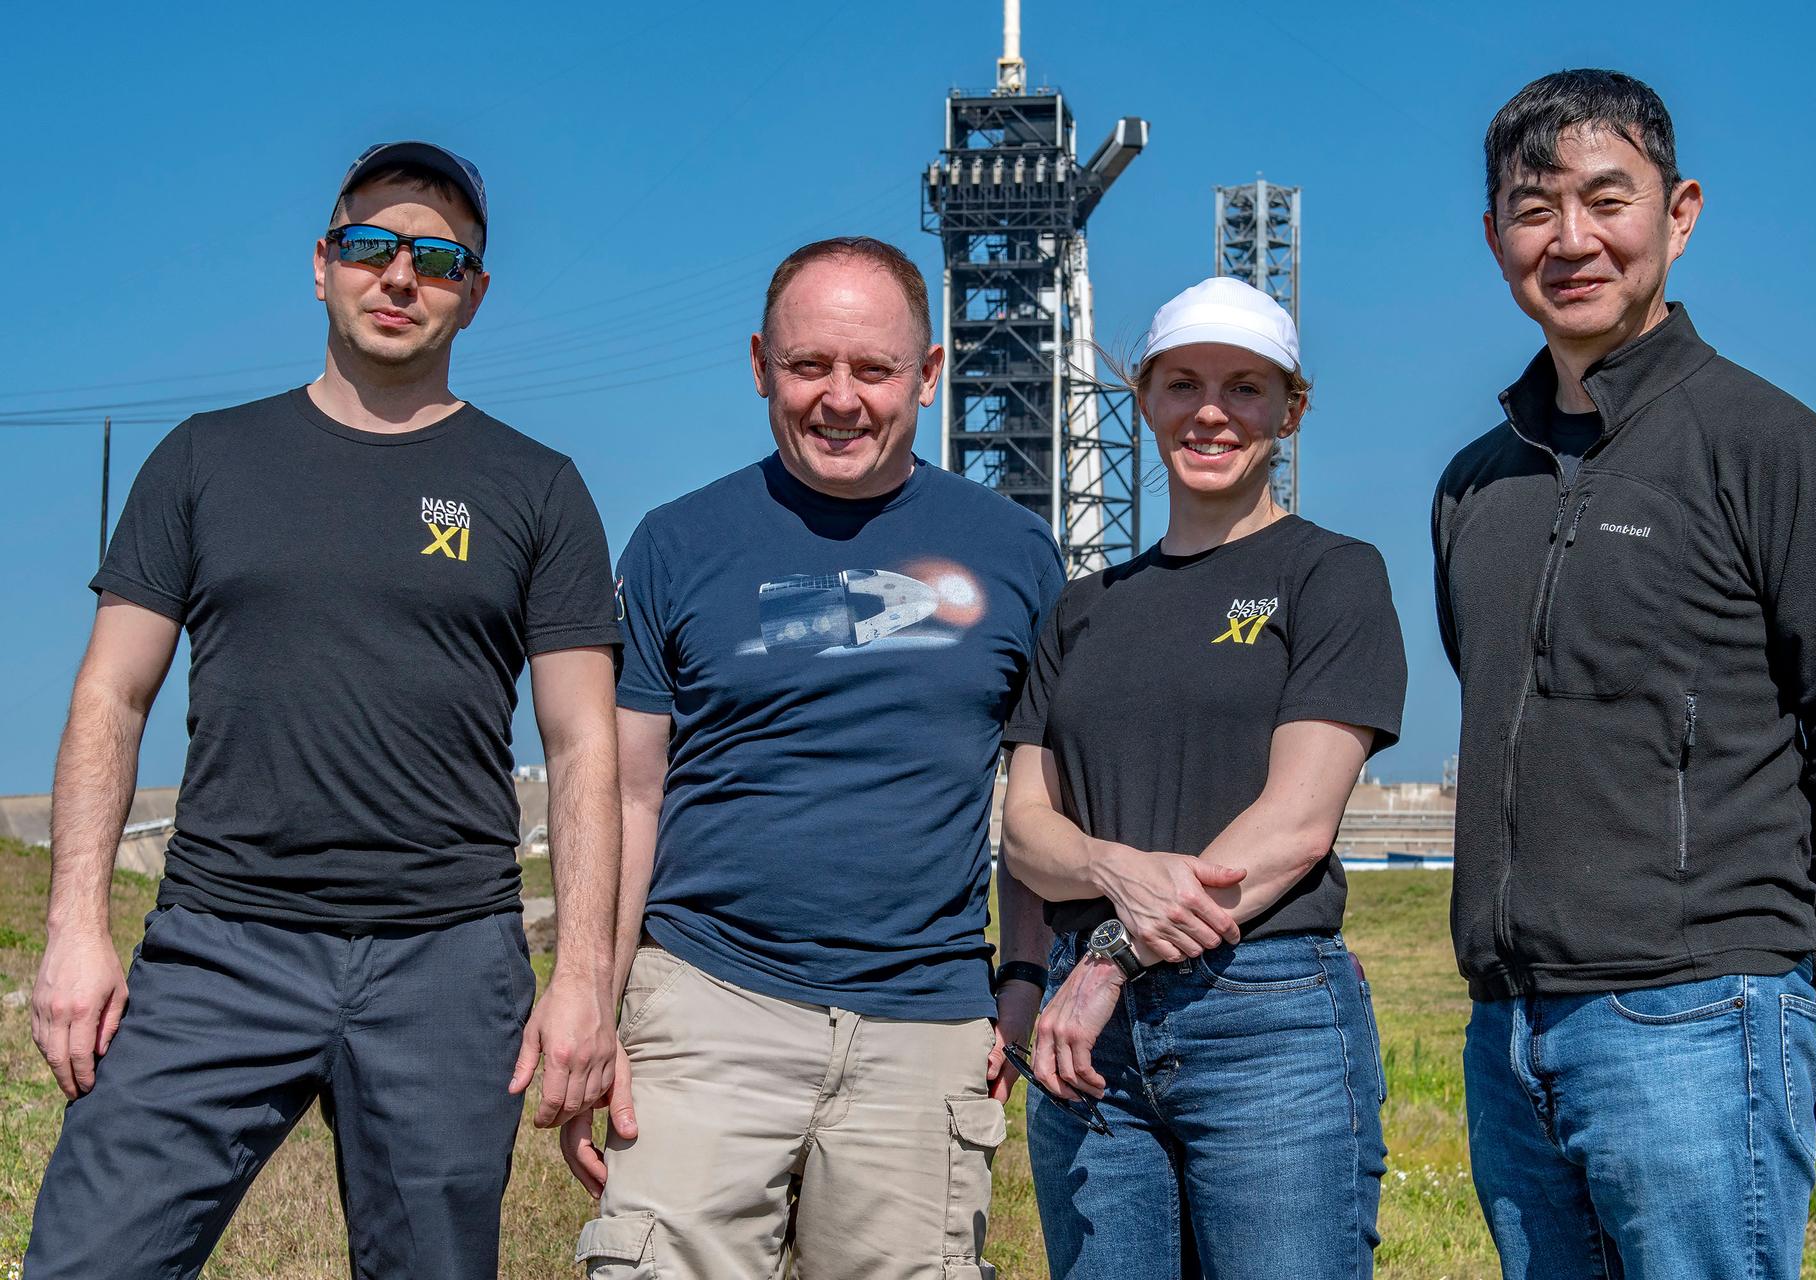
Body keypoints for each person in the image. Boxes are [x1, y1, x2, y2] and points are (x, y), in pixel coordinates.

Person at [26, 141, 624, 1279]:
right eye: (370, 245)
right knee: (86, 1259)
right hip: (218, 945)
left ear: (476, 293)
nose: (400, 277)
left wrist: (584, 980)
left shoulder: (537, 487)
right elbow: (112, 691)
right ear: (322, 264)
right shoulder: (206, 459)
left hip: (447, 961)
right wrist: (73, 927)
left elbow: (585, 741)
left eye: (440, 259)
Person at [1433, 70, 1816, 1278]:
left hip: (1699, 1014)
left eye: (1609, 199)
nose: (1573, 238)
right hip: (1509, 1027)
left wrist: (1813, 951)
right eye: (1535, 208)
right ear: (1494, 234)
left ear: (1680, 212)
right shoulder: (1472, 486)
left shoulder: (1778, 452)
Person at [563, 236, 1065, 1279]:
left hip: (922, 1022)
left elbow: (1036, 800)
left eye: (874, 369)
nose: (840, 398)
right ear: (759, 364)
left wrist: (1020, 978)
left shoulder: (1016, 557)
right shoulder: (675, 544)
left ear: (929, 374)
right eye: (808, 367)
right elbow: (629, 794)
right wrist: (596, 1002)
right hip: (709, 1003)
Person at [999, 275, 1407, 1279]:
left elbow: (1297, 822)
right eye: (1182, 384)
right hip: (1089, 1044)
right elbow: (1024, 829)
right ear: (1141, 395)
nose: (1211, 412)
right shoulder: (1080, 609)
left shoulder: (1332, 574)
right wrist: (1110, 867)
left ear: (1291, 410)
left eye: (1245, 387)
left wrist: (1108, 956)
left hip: (1261, 1010)